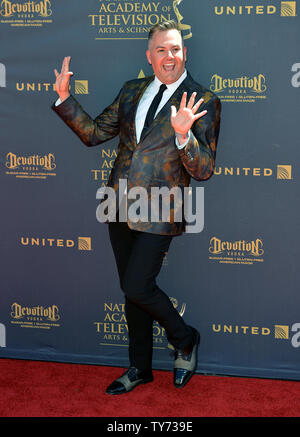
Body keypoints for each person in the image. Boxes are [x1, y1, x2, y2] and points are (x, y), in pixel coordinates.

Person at [52, 20, 221, 395]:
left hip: (162, 208)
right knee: (132, 292)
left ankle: (185, 337)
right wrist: (65, 99)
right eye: (161, 50)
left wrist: (183, 136)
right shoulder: (132, 90)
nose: (169, 57)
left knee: (137, 285)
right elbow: (95, 133)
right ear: (150, 56)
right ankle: (140, 367)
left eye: (175, 49)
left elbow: (204, 169)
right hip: (118, 204)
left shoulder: (203, 101)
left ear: (184, 53)